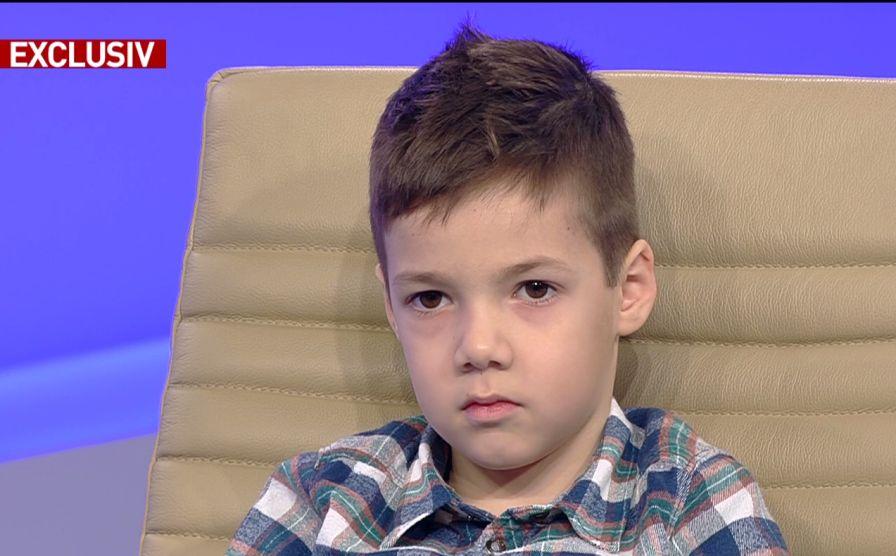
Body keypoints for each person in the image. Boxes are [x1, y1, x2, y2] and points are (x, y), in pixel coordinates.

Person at [227, 19, 789, 555]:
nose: (478, 347)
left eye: (535, 289)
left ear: (629, 288)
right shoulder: (319, 500)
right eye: (430, 299)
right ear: (392, 308)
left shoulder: (691, 503)